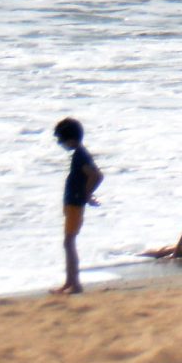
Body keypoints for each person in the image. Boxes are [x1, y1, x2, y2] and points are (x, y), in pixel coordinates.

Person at [53, 117, 104, 296]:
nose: (60, 143)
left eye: (61, 140)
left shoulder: (81, 155)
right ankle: (70, 282)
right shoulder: (79, 154)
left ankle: (75, 284)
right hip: (72, 203)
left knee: (69, 243)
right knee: (68, 243)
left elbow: (96, 175)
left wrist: (86, 194)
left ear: (71, 139)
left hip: (75, 203)